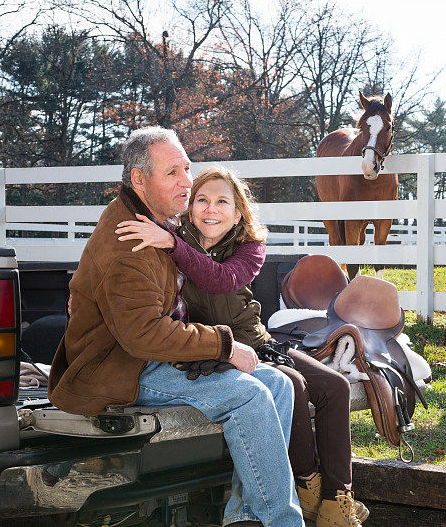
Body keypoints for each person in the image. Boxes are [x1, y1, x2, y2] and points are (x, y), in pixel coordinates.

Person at [48, 126, 303, 527]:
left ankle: (247, 518)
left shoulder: (158, 222)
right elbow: (143, 335)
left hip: (146, 357)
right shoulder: (127, 238)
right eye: (172, 173)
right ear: (139, 179)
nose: (187, 181)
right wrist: (221, 345)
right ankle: (282, 522)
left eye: (187, 168)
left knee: (279, 385)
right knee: (250, 395)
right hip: (120, 368)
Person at [115, 166, 368, 527]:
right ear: (189, 207)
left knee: (335, 386)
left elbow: (220, 280)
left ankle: (337, 500)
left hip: (254, 342)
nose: (211, 209)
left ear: (238, 213)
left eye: (222, 202)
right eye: (202, 200)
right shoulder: (170, 238)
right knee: (290, 386)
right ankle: (306, 488)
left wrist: (174, 246)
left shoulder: (248, 248)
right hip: (213, 348)